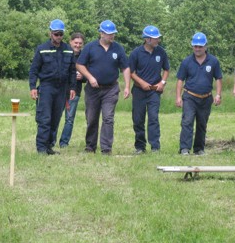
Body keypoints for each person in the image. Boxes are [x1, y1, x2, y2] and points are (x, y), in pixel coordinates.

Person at [76, 20, 131, 155]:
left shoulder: (118, 48)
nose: (111, 36)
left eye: (113, 34)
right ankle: (90, 147)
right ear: (101, 33)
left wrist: (127, 86)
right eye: (109, 34)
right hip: (92, 90)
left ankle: (106, 148)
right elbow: (79, 65)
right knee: (92, 118)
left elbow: (125, 68)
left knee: (108, 118)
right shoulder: (90, 47)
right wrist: (90, 77)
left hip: (111, 89)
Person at [29, 19, 77, 155]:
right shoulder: (42, 49)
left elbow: (72, 71)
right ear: (50, 33)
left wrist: (72, 88)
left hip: (62, 89)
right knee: (45, 119)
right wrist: (33, 87)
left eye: (61, 34)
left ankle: (49, 146)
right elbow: (33, 70)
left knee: (55, 119)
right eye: (56, 34)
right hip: (46, 88)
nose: (58, 37)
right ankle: (41, 148)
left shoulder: (68, 50)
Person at [176, 32, 223, 155]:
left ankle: (199, 149)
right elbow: (180, 80)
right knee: (187, 121)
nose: (197, 49)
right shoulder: (186, 62)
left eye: (200, 46)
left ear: (205, 46)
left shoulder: (213, 61)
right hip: (189, 97)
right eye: (195, 46)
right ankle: (184, 148)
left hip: (206, 98)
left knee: (202, 124)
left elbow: (218, 78)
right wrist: (178, 97)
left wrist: (218, 94)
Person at [129, 25, 170, 154]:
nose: (158, 40)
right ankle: (140, 147)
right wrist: (141, 83)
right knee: (138, 119)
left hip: (154, 91)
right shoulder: (136, 53)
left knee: (153, 118)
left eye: (158, 38)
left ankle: (155, 147)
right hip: (139, 91)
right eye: (155, 38)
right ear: (147, 39)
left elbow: (167, 69)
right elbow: (131, 72)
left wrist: (162, 82)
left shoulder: (161, 52)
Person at [58, 33, 86, 149]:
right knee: (55, 116)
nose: (78, 45)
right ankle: (50, 140)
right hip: (60, 90)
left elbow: (89, 75)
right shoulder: (63, 53)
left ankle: (64, 143)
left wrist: (82, 76)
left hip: (75, 92)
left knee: (69, 119)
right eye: (76, 42)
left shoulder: (84, 57)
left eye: (80, 43)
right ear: (70, 42)